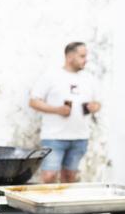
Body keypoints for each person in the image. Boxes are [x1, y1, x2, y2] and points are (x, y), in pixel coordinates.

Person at [29, 42, 101, 183]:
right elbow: (33, 101)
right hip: (54, 137)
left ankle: (63, 205)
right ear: (69, 56)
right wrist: (57, 110)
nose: (85, 59)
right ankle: (48, 204)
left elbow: (98, 103)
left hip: (80, 137)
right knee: (49, 177)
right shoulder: (51, 76)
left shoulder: (89, 78)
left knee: (69, 177)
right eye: (82, 56)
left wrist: (95, 107)